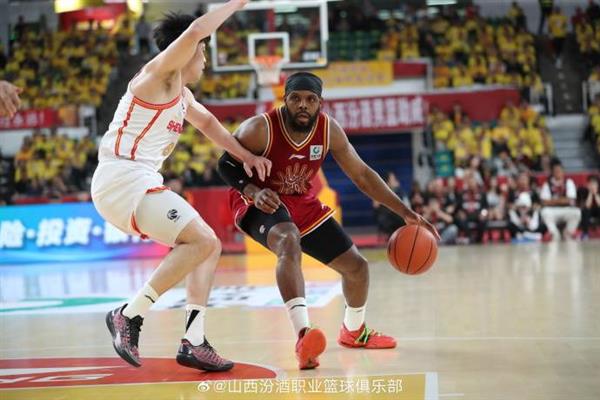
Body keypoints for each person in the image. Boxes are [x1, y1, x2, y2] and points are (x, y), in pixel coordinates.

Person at [92, 0, 271, 372]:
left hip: (133, 182)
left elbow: (208, 125)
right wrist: (237, 3)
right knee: (202, 241)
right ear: (188, 50)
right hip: (121, 177)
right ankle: (129, 314)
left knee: (208, 246)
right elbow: (195, 31)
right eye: (203, 52)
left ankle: (194, 340)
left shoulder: (181, 95)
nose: (204, 60)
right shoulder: (157, 76)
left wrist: (246, 157)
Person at [217, 72, 440, 370]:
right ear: (286, 100)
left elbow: (362, 175)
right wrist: (253, 191)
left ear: (320, 103)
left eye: (310, 100)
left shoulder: (328, 130)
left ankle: (354, 331)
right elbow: (225, 163)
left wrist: (405, 212)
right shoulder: (260, 128)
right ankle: (303, 336)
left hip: (300, 200)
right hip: (258, 199)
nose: (303, 105)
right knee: (288, 239)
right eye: (296, 98)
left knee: (357, 268)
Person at [540, 159, 581, 241]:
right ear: (552, 172)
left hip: (567, 209)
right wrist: (562, 200)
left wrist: (553, 200)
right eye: (556, 171)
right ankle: (554, 233)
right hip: (553, 210)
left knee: (577, 212)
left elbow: (570, 199)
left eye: (559, 171)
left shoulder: (569, 182)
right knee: (544, 212)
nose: (558, 173)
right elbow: (545, 201)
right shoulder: (547, 184)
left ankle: (568, 232)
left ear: (563, 172)